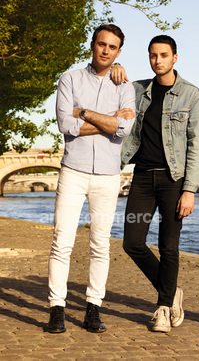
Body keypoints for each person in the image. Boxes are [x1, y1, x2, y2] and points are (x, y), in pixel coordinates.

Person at [45, 24, 136, 334]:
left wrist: (83, 112)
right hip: (73, 170)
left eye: (112, 47)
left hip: (108, 175)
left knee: (100, 244)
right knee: (62, 242)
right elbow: (65, 124)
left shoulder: (124, 86)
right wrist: (110, 121)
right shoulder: (69, 79)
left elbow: (125, 129)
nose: (105, 50)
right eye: (101, 44)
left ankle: (93, 309)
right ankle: (57, 309)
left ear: (119, 52)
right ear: (92, 45)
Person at [116, 35, 199, 332]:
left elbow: (198, 145)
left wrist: (190, 190)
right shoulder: (136, 90)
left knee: (168, 247)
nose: (158, 60)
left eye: (164, 55)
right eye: (153, 55)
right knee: (132, 242)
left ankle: (164, 309)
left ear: (175, 58)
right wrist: (115, 67)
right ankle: (171, 291)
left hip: (173, 181)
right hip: (142, 179)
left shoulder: (191, 95)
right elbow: (107, 92)